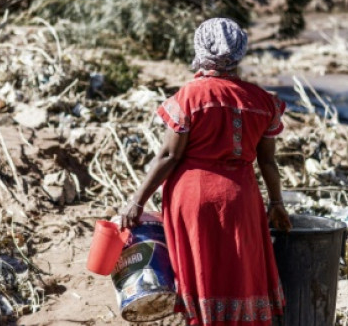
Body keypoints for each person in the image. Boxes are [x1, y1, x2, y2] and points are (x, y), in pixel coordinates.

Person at [120, 17, 292, 326]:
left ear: (201, 49)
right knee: (239, 271)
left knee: (202, 269)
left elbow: (170, 155)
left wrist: (137, 201)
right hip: (242, 198)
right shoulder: (262, 101)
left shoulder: (190, 97)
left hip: (194, 197)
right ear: (240, 51)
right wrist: (277, 204)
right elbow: (267, 162)